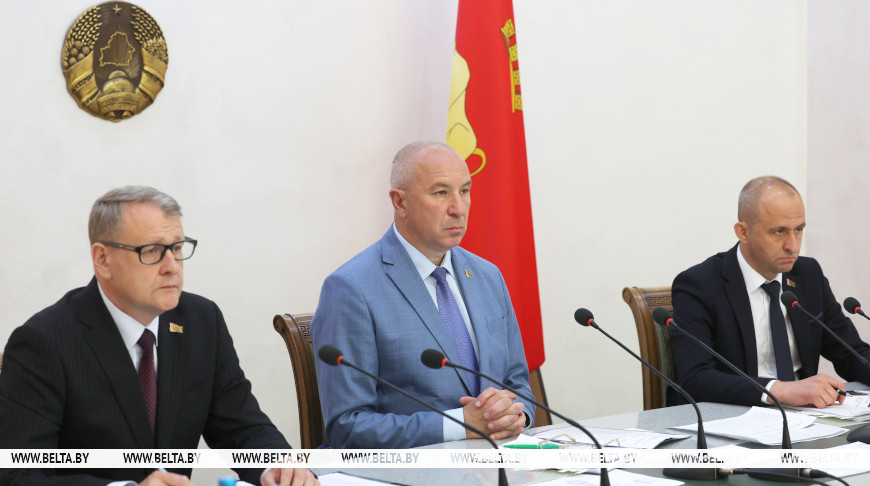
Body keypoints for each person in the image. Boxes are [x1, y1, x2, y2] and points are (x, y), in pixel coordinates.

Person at [0, 186, 318, 486]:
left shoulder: (202, 320)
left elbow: (242, 425)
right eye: (151, 250)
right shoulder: (44, 342)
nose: (172, 267)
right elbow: (18, 475)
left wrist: (278, 465)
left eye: (177, 248)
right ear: (103, 259)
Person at [312, 141, 535, 448]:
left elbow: (518, 385)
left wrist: (517, 415)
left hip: (499, 463)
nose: (458, 208)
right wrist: (460, 424)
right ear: (400, 202)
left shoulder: (488, 276)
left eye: (465, 190)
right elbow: (347, 427)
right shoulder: (351, 288)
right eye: (441, 193)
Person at [670, 176, 870, 408]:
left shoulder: (808, 275)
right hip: (734, 415)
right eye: (778, 232)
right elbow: (695, 378)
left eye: (798, 229)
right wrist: (780, 390)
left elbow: (850, 353)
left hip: (806, 418)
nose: (793, 245)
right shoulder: (699, 285)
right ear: (743, 232)